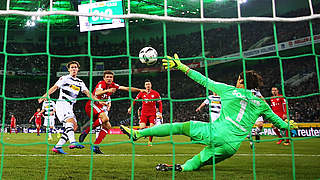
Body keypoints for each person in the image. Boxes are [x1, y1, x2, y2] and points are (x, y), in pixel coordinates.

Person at [120, 54, 297, 172]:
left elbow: (203, 80)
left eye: (238, 80)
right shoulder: (262, 103)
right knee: (199, 160)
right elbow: (279, 122)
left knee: (181, 127)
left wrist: (181, 66)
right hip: (231, 147)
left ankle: (137, 133)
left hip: (217, 133)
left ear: (241, 81)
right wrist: (290, 126)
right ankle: (181, 168)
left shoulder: (228, 90)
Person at [38, 60, 101, 154]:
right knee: (70, 121)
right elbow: (55, 87)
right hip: (62, 103)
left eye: (75, 67)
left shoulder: (80, 82)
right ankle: (73, 142)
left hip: (70, 106)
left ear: (78, 69)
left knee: (74, 126)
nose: (74, 69)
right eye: (72, 67)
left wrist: (98, 101)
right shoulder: (64, 78)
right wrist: (45, 95)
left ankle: (58, 146)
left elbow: (88, 93)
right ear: (69, 69)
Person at [79, 70, 145, 154]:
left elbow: (126, 88)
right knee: (105, 118)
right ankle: (86, 131)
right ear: (104, 78)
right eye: (107, 77)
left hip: (99, 107)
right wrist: (108, 90)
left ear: (113, 78)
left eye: (111, 77)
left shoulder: (114, 85)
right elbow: (97, 92)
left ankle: (95, 146)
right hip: (91, 105)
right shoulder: (102, 83)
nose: (109, 78)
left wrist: (139, 90)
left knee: (107, 126)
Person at [127, 79, 162, 146]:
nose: (148, 86)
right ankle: (134, 135)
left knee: (152, 128)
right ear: (144, 86)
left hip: (152, 113)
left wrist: (160, 113)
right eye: (146, 84)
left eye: (149, 84)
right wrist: (130, 108)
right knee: (142, 127)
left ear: (151, 85)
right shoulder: (141, 93)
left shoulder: (156, 93)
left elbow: (160, 104)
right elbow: (135, 101)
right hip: (144, 113)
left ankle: (150, 142)